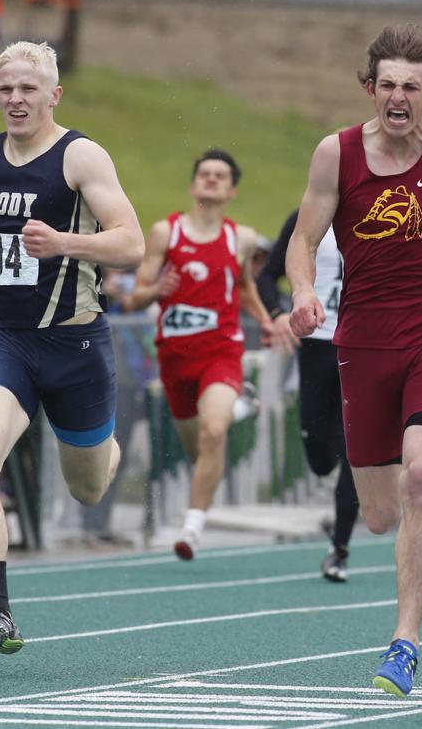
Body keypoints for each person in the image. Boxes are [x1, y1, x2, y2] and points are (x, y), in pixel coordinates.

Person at [286, 23, 422, 696]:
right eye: (387, 85)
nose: (397, 97)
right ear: (370, 90)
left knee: (420, 475)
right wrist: (302, 290)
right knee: (378, 513)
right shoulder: (336, 154)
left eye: (411, 87)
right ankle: (391, 548)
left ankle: (404, 642)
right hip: (360, 341)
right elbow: (302, 236)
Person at [0, 41, 146, 655]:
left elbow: (130, 244)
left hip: (76, 344)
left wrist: (64, 243)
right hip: (6, 342)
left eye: (29, 89)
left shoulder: (80, 156)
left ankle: (100, 443)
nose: (16, 100)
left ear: (53, 95)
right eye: (6, 90)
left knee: (87, 487)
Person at [123, 149, 273, 561]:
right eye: (204, 174)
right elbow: (133, 298)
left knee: (213, 430)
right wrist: (157, 291)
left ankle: (192, 525)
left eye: (219, 176)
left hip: (221, 352)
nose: (210, 180)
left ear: (231, 191)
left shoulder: (239, 238)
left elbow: (243, 288)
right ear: (192, 186)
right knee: (198, 448)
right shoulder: (165, 233)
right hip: (175, 358)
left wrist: (268, 321)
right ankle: (233, 410)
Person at [257, 208, 360, 582]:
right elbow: (267, 275)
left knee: (355, 452)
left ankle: (340, 549)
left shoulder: (388, 211)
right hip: (317, 347)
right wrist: (277, 313)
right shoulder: (306, 217)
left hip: (366, 348)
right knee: (320, 458)